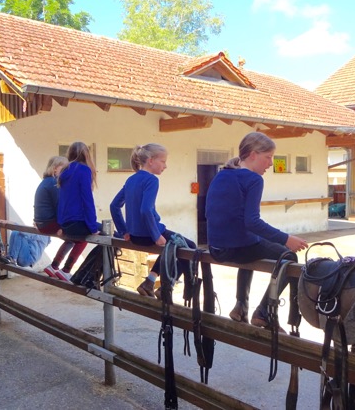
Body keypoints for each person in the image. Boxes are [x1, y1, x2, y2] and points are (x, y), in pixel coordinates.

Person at [205, 132, 308, 327]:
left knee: (253, 243)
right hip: (237, 249)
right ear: (253, 155)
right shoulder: (254, 179)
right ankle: (263, 311)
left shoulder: (221, 174)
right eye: (268, 157)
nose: (270, 163)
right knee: (288, 256)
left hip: (215, 248)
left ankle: (241, 306)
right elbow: (252, 222)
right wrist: (286, 239)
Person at [110, 143, 196, 298]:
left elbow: (114, 206)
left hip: (135, 236)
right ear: (150, 160)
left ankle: (150, 282)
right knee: (189, 246)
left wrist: (124, 231)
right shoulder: (151, 180)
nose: (165, 166)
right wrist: (156, 235)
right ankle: (170, 288)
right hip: (149, 235)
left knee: (174, 243)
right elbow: (146, 209)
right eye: (163, 161)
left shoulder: (131, 180)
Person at [33, 156, 88, 279]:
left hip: (42, 223)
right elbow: (60, 207)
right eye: (64, 168)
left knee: (71, 238)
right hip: (49, 223)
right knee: (82, 239)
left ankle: (54, 266)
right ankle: (66, 270)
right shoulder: (54, 183)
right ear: (54, 169)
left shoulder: (45, 182)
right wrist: (64, 227)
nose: (67, 171)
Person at [56, 142, 101, 282]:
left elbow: (62, 201)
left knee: (103, 239)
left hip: (66, 223)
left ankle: (67, 269)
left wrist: (61, 225)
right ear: (86, 154)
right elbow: (87, 200)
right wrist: (93, 227)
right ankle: (86, 275)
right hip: (78, 222)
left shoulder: (65, 171)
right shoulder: (84, 170)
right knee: (113, 237)